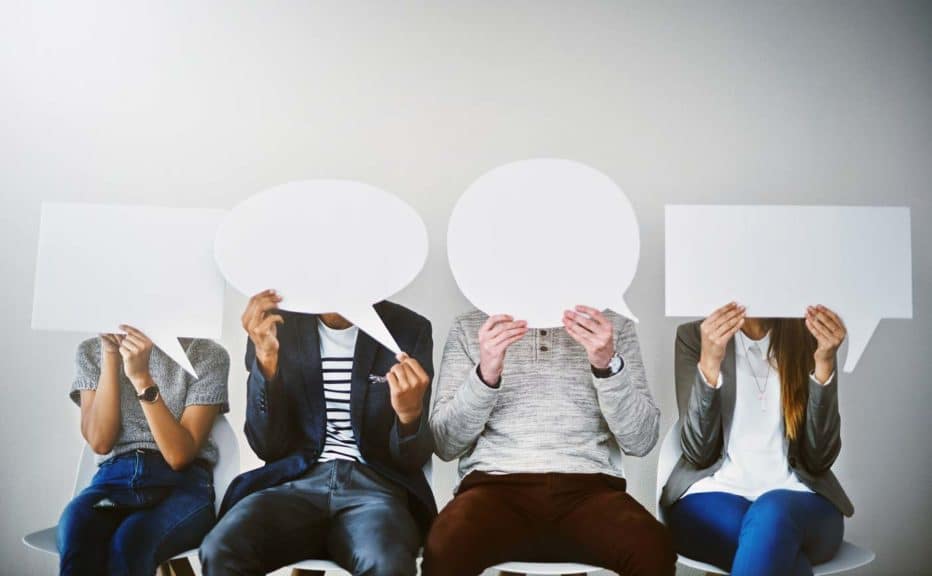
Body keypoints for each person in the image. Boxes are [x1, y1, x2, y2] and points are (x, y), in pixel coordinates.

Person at [424, 306, 675, 576]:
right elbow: (445, 444)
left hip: (589, 491)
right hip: (492, 489)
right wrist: (485, 375)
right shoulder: (470, 324)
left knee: (653, 548)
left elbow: (641, 440)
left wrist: (608, 366)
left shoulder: (612, 325)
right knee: (443, 547)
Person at [200, 290, 435, 576]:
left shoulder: (409, 329)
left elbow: (411, 460)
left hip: (375, 491)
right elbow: (267, 446)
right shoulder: (277, 326)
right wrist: (267, 363)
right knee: (220, 548)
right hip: (295, 483)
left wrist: (410, 416)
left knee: (386, 563)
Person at [661, 303, 853, 576]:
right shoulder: (694, 336)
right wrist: (710, 362)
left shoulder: (810, 335)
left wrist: (824, 363)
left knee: (771, 514)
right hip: (712, 499)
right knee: (775, 545)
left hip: (800, 502)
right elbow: (697, 452)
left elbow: (819, 459)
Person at [57, 327, 230, 576]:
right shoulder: (90, 352)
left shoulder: (207, 355)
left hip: (181, 486)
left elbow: (179, 457)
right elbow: (100, 441)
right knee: (77, 531)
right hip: (113, 482)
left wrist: (141, 379)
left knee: (129, 544)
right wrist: (110, 355)